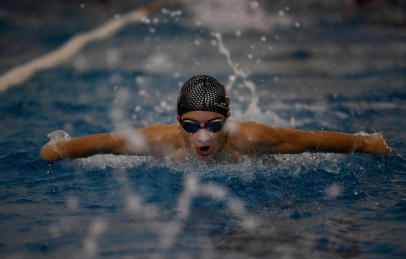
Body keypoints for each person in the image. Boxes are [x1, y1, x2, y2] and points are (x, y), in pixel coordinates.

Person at [39, 75, 392, 162]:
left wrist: (368, 143)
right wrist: (57, 151)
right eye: (191, 126)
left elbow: (310, 140)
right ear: (178, 121)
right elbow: (106, 142)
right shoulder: (160, 141)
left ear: (229, 120)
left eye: (214, 126)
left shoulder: (252, 139)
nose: (202, 138)